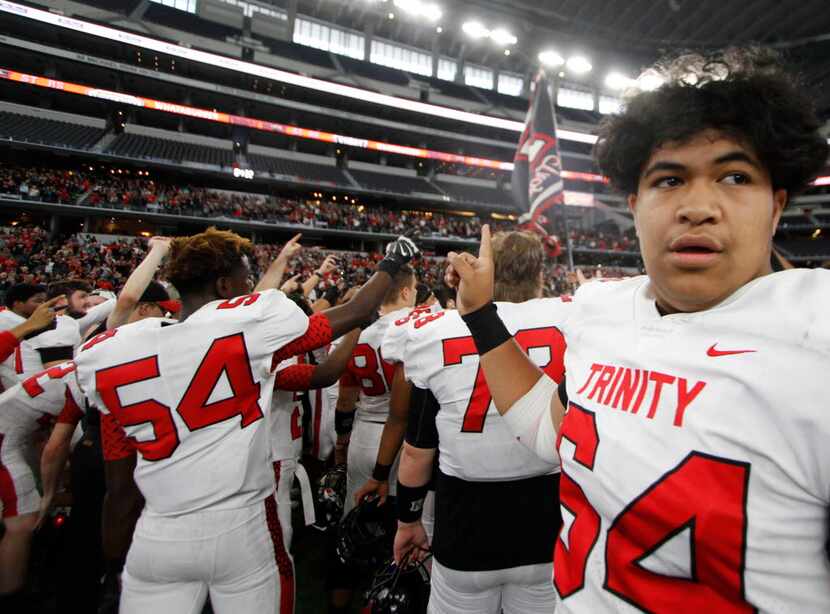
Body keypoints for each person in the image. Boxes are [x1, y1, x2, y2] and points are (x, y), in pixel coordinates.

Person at [446, 48, 830, 612]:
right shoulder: (602, 310)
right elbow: (552, 433)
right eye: (670, 180)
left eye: (733, 175)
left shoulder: (816, 339)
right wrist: (480, 316)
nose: (698, 207)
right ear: (634, 205)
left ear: (775, 208)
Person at [74, 227, 418, 614]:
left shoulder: (113, 353)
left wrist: (114, 567)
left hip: (159, 533)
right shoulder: (246, 328)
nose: (251, 287)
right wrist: (392, 260)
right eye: (246, 278)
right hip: (243, 524)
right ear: (224, 284)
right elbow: (354, 312)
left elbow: (119, 492)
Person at [391, 232, 566, 614]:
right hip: (549, 527)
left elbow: (417, 454)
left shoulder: (438, 329)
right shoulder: (571, 320)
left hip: (464, 526)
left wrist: (408, 519)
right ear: (540, 276)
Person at [0, 361, 85, 610]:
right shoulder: (81, 382)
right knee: (23, 520)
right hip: (6, 440)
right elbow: (55, 446)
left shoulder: (78, 367)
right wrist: (49, 495)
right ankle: (10, 599)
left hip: (16, 434)